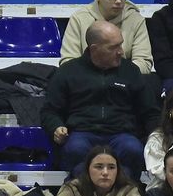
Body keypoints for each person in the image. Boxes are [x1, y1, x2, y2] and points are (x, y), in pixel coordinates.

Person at [42, 20, 156, 181]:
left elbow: (150, 111)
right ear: (94, 49)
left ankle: (125, 192)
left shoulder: (131, 71)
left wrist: (156, 136)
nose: (121, 52)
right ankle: (84, 193)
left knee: (133, 150)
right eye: (114, 47)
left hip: (122, 133)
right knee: (75, 150)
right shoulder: (68, 72)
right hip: (82, 132)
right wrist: (56, 127)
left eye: (121, 44)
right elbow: (50, 110)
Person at [61, 0, 154, 74]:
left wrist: (116, 75)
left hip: (125, 79)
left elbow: (144, 62)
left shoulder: (135, 19)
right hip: (87, 80)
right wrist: (95, 78)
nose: (118, 1)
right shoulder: (79, 19)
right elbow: (67, 62)